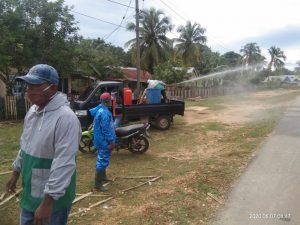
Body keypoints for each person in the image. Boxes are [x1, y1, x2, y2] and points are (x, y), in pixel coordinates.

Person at [5, 64, 82, 225]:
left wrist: (48, 203)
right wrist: (16, 171)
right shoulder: (32, 111)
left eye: (36, 86)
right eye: (28, 86)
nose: (29, 90)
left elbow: (64, 163)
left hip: (53, 200)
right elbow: (25, 145)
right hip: (30, 192)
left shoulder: (65, 118)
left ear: (52, 88)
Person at [89, 92, 116, 192]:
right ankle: (98, 185)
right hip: (104, 140)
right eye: (110, 100)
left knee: (103, 158)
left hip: (99, 139)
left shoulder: (100, 109)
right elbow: (106, 129)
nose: (111, 102)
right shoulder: (104, 113)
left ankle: (103, 177)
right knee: (102, 160)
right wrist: (111, 141)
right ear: (107, 101)